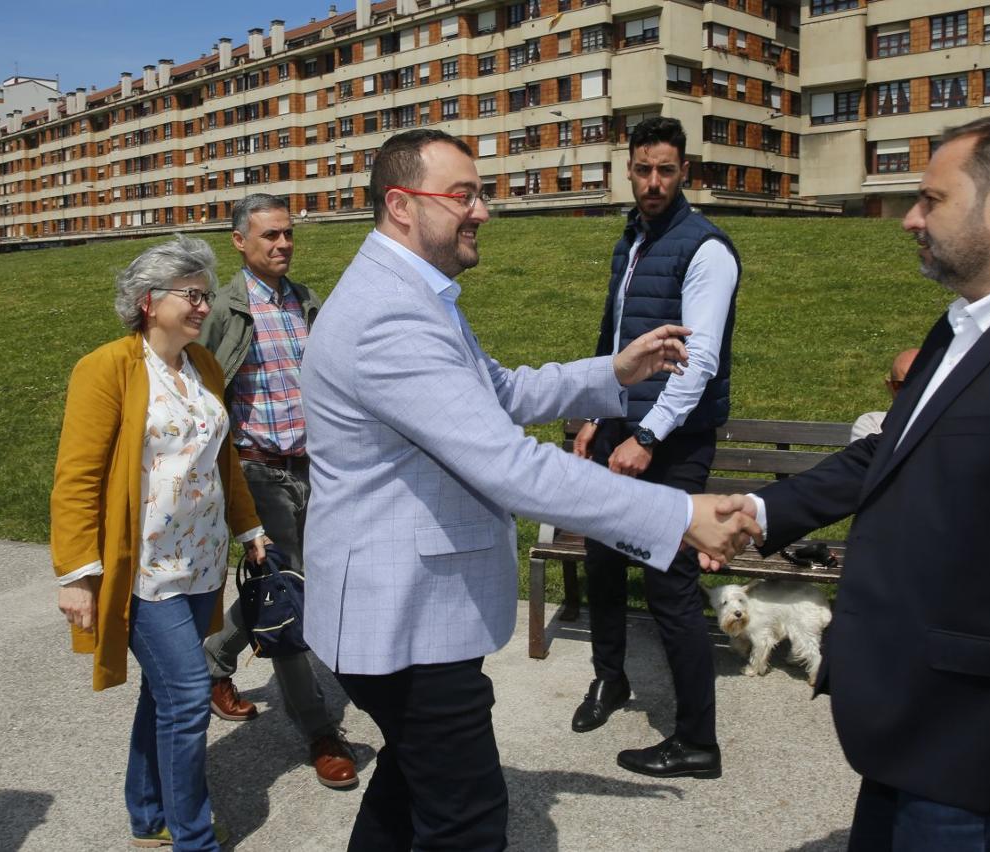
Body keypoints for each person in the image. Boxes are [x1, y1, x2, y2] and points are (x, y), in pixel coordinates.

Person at [712, 117, 990, 852]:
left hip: (977, 761)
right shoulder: (963, 326)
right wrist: (761, 509)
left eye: (929, 199)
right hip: (910, 731)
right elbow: (885, 455)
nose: (910, 220)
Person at [299, 128, 759, 851]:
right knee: (469, 822)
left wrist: (616, 371)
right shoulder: (389, 314)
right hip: (404, 624)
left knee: (407, 790)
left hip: (409, 615)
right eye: (462, 196)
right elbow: (511, 466)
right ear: (399, 205)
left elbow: (501, 390)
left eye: (479, 194)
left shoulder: (413, 293)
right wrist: (676, 515)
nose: (481, 210)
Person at [50, 236, 266, 851]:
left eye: (205, 294)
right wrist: (75, 574)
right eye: (191, 295)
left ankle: (147, 815)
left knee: (164, 694)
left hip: (200, 564)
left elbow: (223, 462)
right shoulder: (107, 368)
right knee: (191, 694)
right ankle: (192, 840)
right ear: (149, 302)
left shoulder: (204, 367)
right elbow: (78, 477)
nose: (203, 306)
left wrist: (249, 528)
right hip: (142, 568)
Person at [569, 116, 740, 779]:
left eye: (665, 170)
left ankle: (698, 740)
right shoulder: (632, 241)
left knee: (671, 587)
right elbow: (614, 338)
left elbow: (694, 366)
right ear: (629, 168)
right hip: (620, 429)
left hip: (673, 442)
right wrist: (593, 415)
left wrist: (646, 436)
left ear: (684, 172)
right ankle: (610, 680)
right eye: (642, 169)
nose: (653, 182)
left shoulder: (706, 251)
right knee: (604, 562)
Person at [197, 193, 356, 789]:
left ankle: (214, 659)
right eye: (269, 236)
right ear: (240, 241)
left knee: (291, 585)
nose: (283, 244)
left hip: (315, 468)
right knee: (288, 598)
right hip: (257, 470)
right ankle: (318, 731)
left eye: (288, 234)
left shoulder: (307, 303)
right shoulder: (223, 311)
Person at [850, 348, 920, 442]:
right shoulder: (871, 424)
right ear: (890, 386)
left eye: (921, 385)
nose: (912, 392)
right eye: (901, 385)